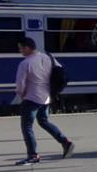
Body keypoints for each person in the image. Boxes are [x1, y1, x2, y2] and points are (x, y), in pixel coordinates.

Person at [13, 37, 74, 165]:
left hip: (31, 98)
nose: (20, 51)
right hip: (46, 97)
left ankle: (33, 155)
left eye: (20, 48)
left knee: (27, 126)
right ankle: (65, 142)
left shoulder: (25, 63)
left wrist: (21, 94)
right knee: (44, 121)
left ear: (27, 48)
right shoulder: (47, 57)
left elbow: (20, 85)